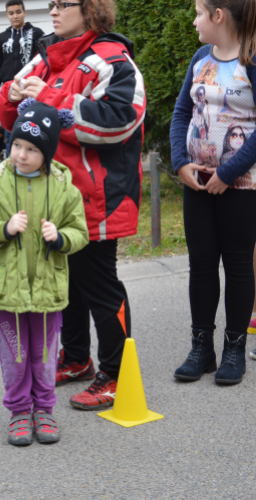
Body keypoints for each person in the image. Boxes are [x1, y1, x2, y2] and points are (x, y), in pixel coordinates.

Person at [0, 0, 145, 410]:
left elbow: (119, 120)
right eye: (52, 4)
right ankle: (78, 358)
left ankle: (117, 375)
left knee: (100, 287)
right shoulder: (45, 57)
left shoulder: (113, 60)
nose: (55, 11)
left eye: (65, 4)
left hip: (97, 198)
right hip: (52, 200)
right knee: (67, 286)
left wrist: (50, 101)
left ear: (91, 9)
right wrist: (10, 96)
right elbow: (14, 122)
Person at [0, 99, 88, 446]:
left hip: (47, 290)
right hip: (6, 293)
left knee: (45, 355)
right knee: (15, 356)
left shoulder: (64, 187)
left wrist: (61, 237)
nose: (21, 154)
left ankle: (45, 409)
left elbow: (79, 231)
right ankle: (20, 410)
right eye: (16, 144)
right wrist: (2, 228)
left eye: (32, 149)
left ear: (47, 154)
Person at [170, 0, 256, 384]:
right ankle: (201, 346)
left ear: (218, 16)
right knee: (201, 264)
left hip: (241, 185)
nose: (194, 21)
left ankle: (234, 348)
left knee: (237, 265)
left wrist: (228, 172)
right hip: (198, 183)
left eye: (199, 13)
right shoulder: (201, 57)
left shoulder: (252, 59)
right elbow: (181, 113)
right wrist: (180, 163)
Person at [0, 0, 44, 127]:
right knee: (11, 127)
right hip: (9, 89)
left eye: (18, 12)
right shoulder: (1, 38)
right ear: (7, 15)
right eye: (11, 13)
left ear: (24, 13)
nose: (15, 16)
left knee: (33, 124)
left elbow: (44, 61)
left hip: (30, 87)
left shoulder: (37, 33)